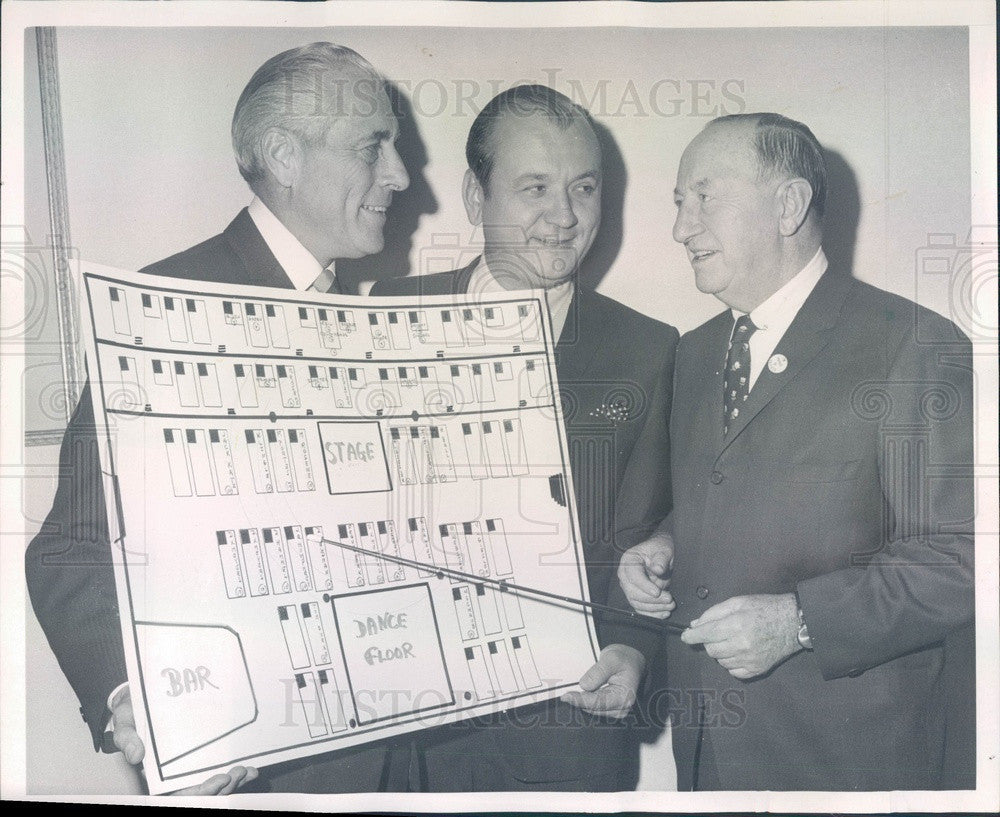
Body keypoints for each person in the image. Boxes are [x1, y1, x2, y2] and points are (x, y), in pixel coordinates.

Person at [25, 42, 411, 794]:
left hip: (397, 762)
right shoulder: (160, 311)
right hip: (249, 774)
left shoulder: (384, 324)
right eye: (375, 146)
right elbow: (71, 547)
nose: (399, 175)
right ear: (284, 155)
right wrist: (130, 698)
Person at [616, 113, 974, 790]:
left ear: (788, 205)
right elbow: (718, 497)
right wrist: (664, 544)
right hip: (705, 754)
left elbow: (965, 556)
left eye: (703, 197)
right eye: (677, 203)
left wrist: (800, 621)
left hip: (846, 765)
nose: (680, 228)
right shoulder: (693, 354)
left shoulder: (913, 344)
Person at [371, 84, 679, 791]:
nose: (564, 216)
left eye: (584, 188)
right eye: (535, 187)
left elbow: (656, 526)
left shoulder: (647, 350)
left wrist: (632, 650)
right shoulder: (387, 315)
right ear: (476, 197)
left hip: (564, 730)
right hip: (397, 733)